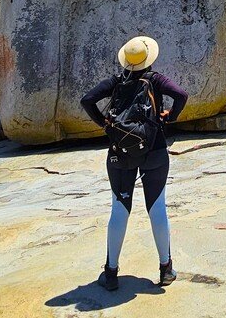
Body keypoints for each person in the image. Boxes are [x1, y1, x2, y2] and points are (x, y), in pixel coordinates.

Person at [80, 35, 188, 291]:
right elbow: (181, 95)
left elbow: (87, 100)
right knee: (157, 207)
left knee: (119, 208)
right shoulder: (156, 80)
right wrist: (168, 117)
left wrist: (104, 124)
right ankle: (165, 269)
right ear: (149, 59)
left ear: (126, 61)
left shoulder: (115, 82)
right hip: (155, 149)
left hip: (121, 153)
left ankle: (111, 273)